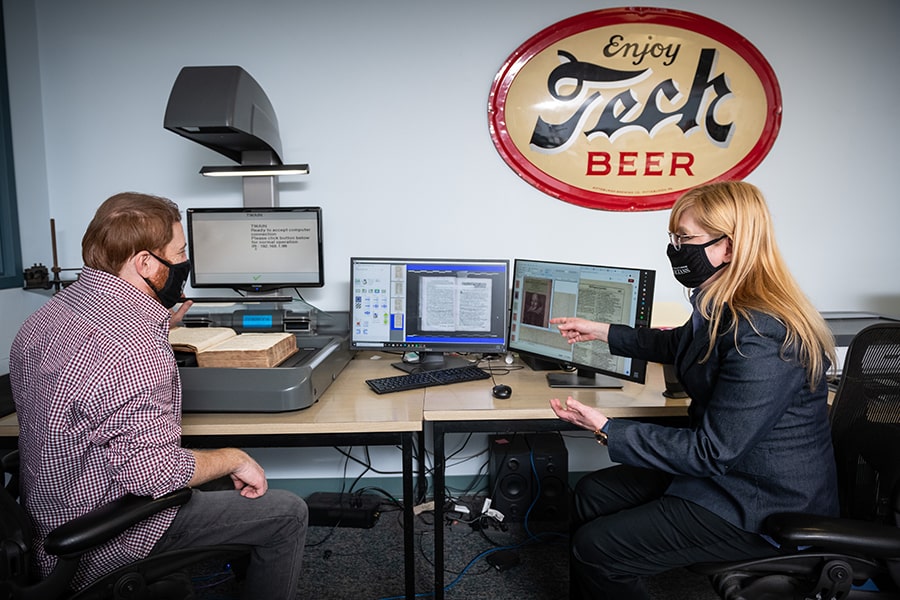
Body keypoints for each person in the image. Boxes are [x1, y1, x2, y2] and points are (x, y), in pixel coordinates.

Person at [549, 181, 838, 600]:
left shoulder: (764, 333)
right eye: (674, 238)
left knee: (597, 548)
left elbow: (711, 452)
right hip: (724, 474)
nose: (676, 249)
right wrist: (604, 332)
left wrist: (609, 428)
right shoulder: (725, 302)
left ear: (730, 247)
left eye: (686, 239)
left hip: (759, 502)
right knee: (594, 494)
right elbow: (678, 343)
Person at [10, 192, 308, 598]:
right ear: (145, 262)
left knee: (223, 482)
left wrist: (156, 324)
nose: (185, 262)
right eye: (180, 251)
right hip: (106, 535)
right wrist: (236, 456)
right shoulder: (132, 345)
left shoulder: (48, 315)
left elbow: (94, 371)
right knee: (286, 512)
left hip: (48, 516)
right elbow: (155, 475)